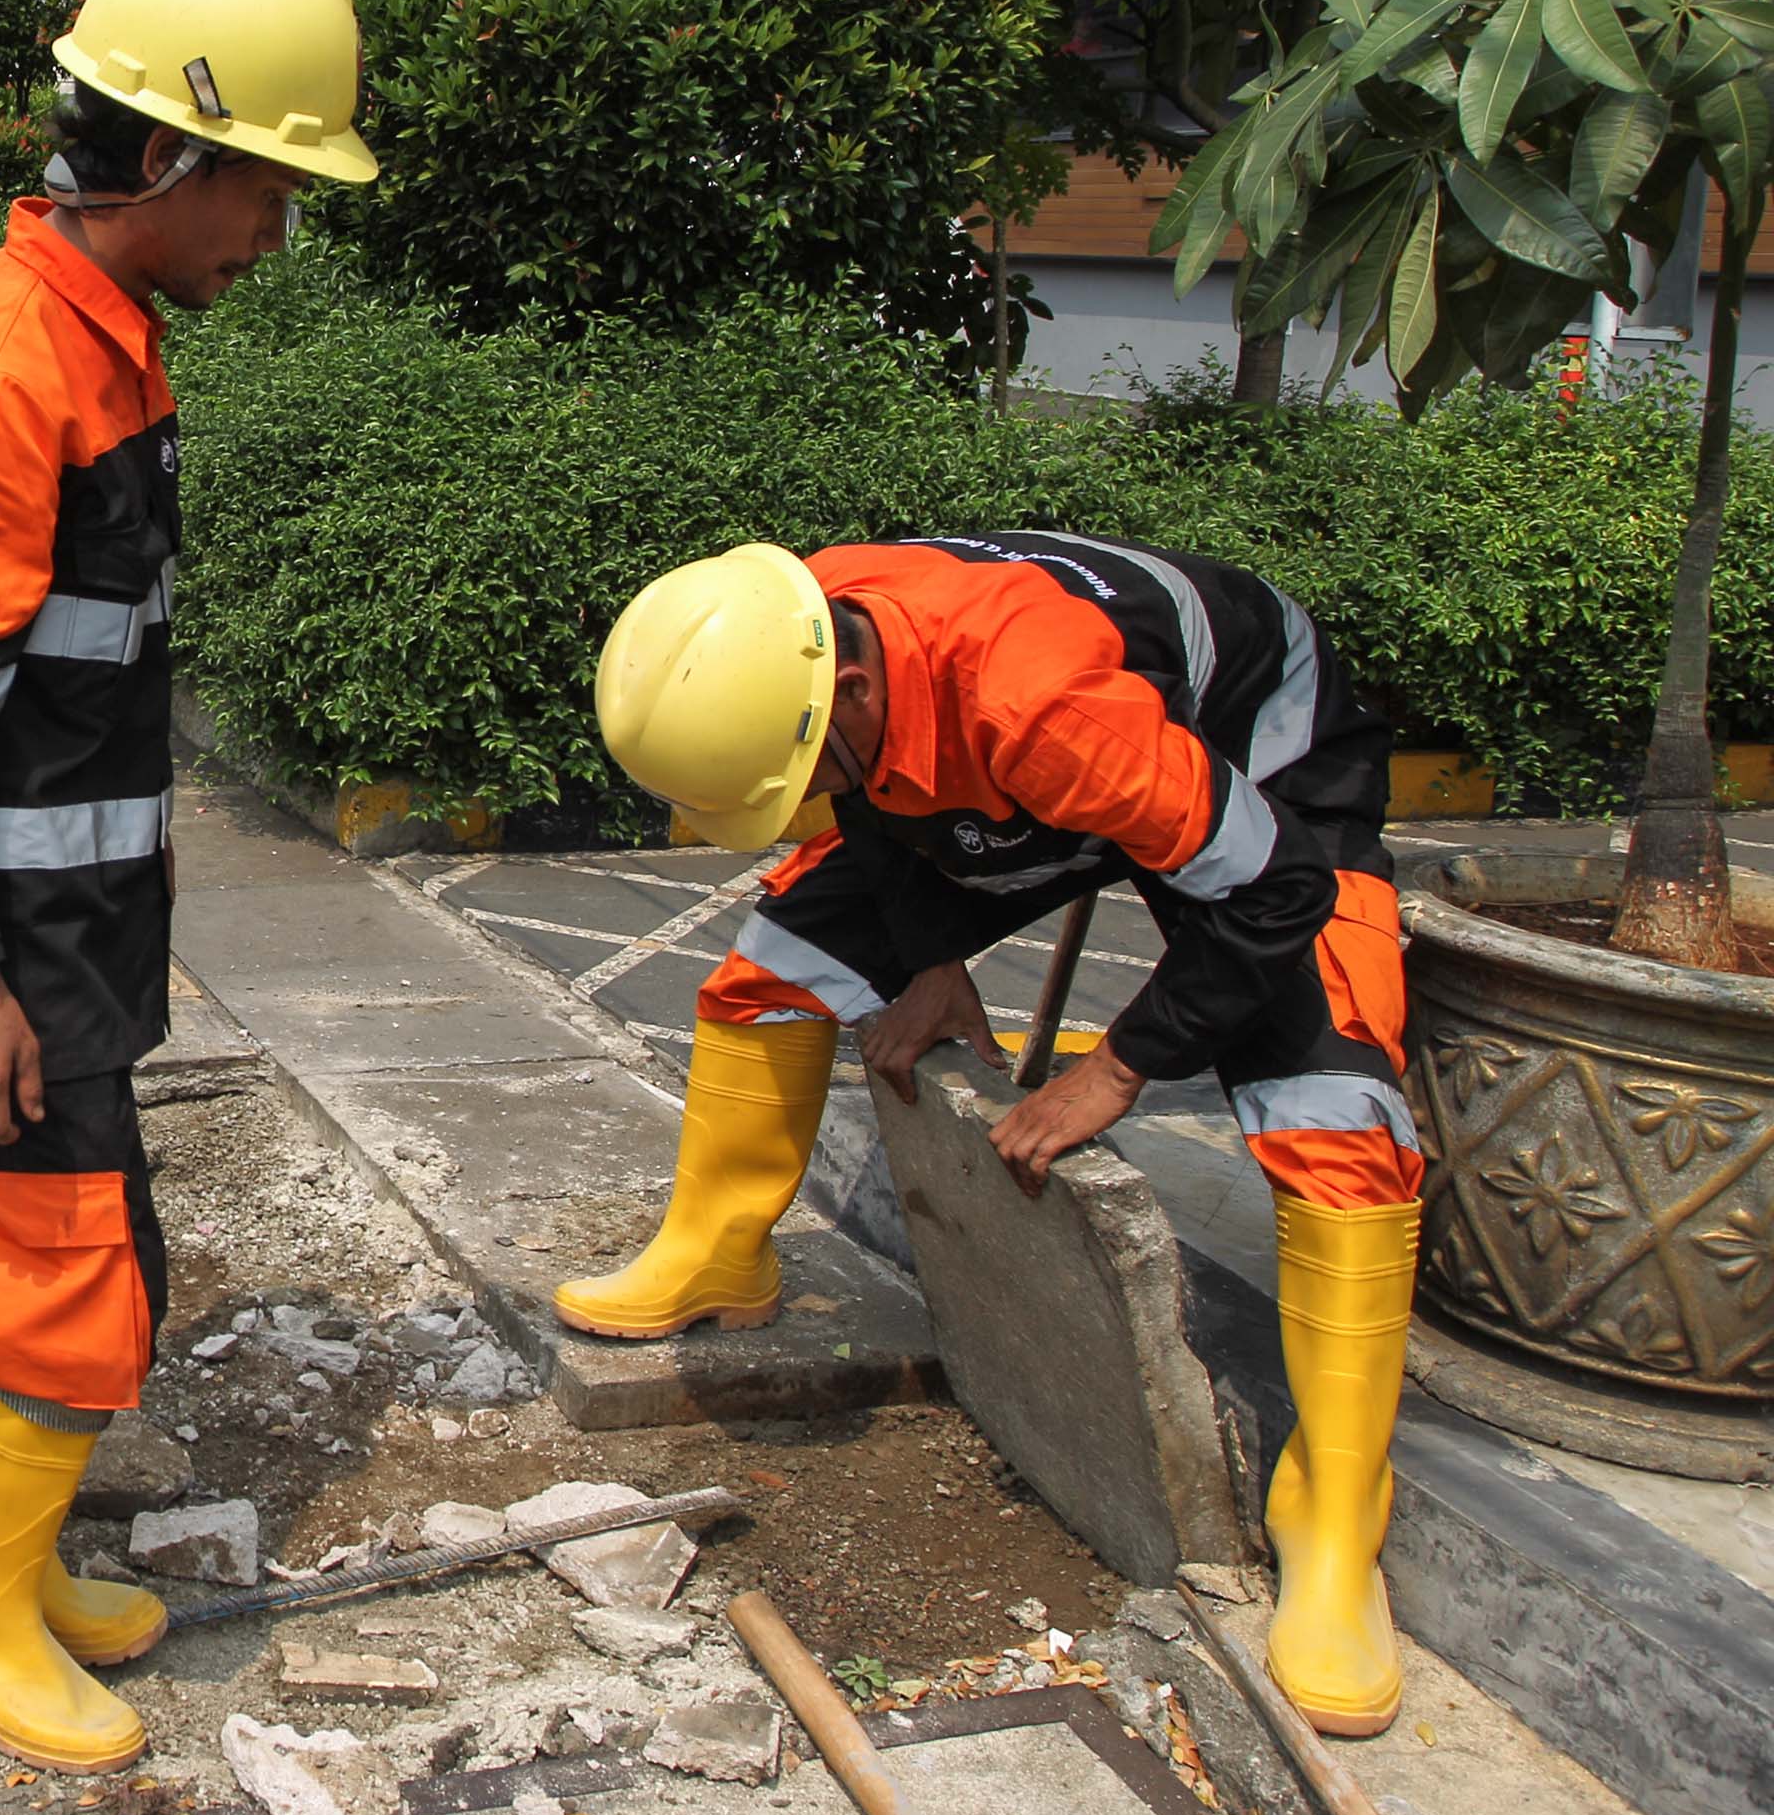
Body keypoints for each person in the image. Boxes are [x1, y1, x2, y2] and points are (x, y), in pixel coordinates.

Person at [0, 0, 378, 1774]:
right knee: (69, 1265)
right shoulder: (10, 375)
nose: (272, 238)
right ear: (163, 160)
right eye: (265, 193)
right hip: (3, 941)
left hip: (58, 920)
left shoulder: (95, 344)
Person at [572, 534, 1420, 1734]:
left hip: (1255, 780)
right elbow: (868, 809)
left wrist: (1120, 1069)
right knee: (771, 971)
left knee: (1335, 1120)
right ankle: (719, 1254)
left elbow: (1274, 891)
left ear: (850, 692)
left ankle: (1335, 1524)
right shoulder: (802, 629)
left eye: (812, 763)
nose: (808, 789)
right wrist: (930, 959)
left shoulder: (1044, 711)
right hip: (1038, 760)